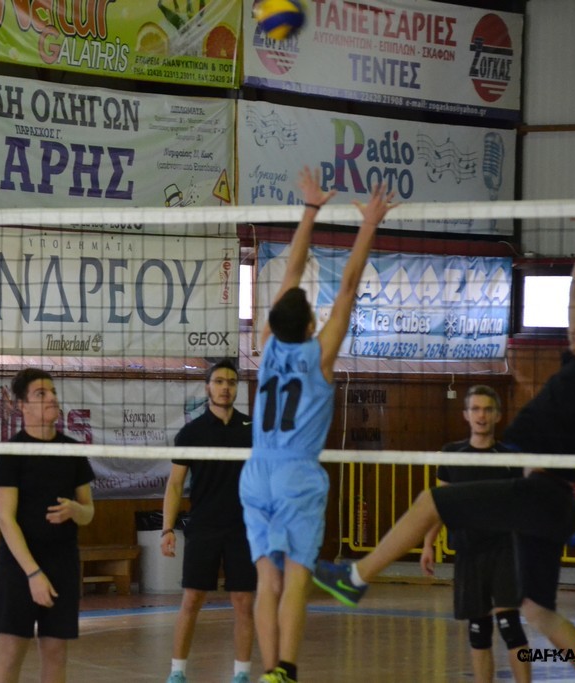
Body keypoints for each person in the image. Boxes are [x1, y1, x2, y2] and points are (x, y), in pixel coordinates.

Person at [314, 218, 575, 683]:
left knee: (431, 500)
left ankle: (355, 578)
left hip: (538, 490)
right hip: (550, 501)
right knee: (536, 610)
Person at [241, 166, 396, 683]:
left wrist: (309, 209)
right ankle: (286, 669)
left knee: (266, 582)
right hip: (296, 475)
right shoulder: (319, 355)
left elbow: (289, 275)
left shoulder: (266, 348)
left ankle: (270, 672)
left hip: (256, 473)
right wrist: (369, 223)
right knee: (296, 581)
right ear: (310, 325)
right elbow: (348, 286)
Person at [0, 368, 95, 683]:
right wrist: (33, 574)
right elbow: (5, 519)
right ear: (22, 406)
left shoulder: (72, 452)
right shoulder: (10, 455)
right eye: (41, 393)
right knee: (10, 653)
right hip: (19, 567)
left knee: (56, 653)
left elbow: (89, 512)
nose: (51, 398)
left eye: (53, 392)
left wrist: (76, 510)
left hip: (63, 563)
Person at [420, 385, 530, 683]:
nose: (481, 415)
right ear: (466, 415)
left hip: (504, 551)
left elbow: (522, 507)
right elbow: (439, 504)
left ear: (497, 415)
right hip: (468, 553)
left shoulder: (509, 458)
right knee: (478, 630)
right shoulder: (452, 454)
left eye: (487, 409)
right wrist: (428, 544)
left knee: (509, 626)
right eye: (476, 409)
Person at [162, 359, 256, 683]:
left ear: (236, 387)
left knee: (243, 602)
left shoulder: (252, 430)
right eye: (219, 382)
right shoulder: (191, 432)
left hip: (243, 529)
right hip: (204, 526)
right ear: (207, 388)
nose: (225, 387)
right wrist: (167, 529)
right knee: (192, 599)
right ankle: (177, 672)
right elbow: (175, 485)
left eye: (231, 382)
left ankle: (241, 674)